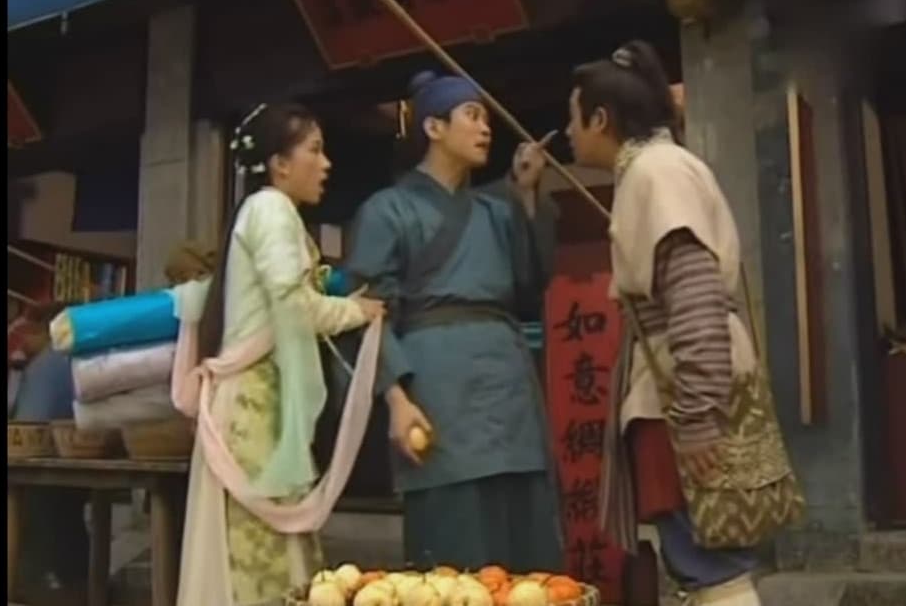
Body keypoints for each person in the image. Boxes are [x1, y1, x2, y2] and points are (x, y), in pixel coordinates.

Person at [567, 41, 766, 605]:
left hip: (679, 390)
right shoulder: (656, 169)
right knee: (704, 559)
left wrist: (698, 413)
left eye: (572, 118)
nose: (569, 133)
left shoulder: (657, 172)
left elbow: (693, 291)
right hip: (676, 384)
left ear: (599, 119)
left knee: (711, 560)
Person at [340, 71, 564, 570]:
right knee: (454, 548)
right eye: (472, 115)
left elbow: (531, 286)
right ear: (434, 127)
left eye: (487, 118)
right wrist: (396, 398)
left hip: (507, 386)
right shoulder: (387, 210)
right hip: (438, 389)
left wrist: (526, 192)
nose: (486, 128)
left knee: (528, 546)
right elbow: (366, 312)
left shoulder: (496, 210)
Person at [175, 101, 385, 606]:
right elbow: (292, 306)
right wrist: (357, 312)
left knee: (269, 548)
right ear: (279, 164)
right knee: (261, 555)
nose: (326, 163)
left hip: (259, 400)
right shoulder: (271, 208)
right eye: (315, 150)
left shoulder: (263, 211)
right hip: (253, 406)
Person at [10, 302, 90, 602]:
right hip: (78, 454)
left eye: (29, 333)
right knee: (67, 521)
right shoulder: (75, 357)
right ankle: (79, 584)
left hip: (42, 459)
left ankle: (39, 586)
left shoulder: (48, 363)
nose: (23, 342)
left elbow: (31, 418)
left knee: (43, 521)